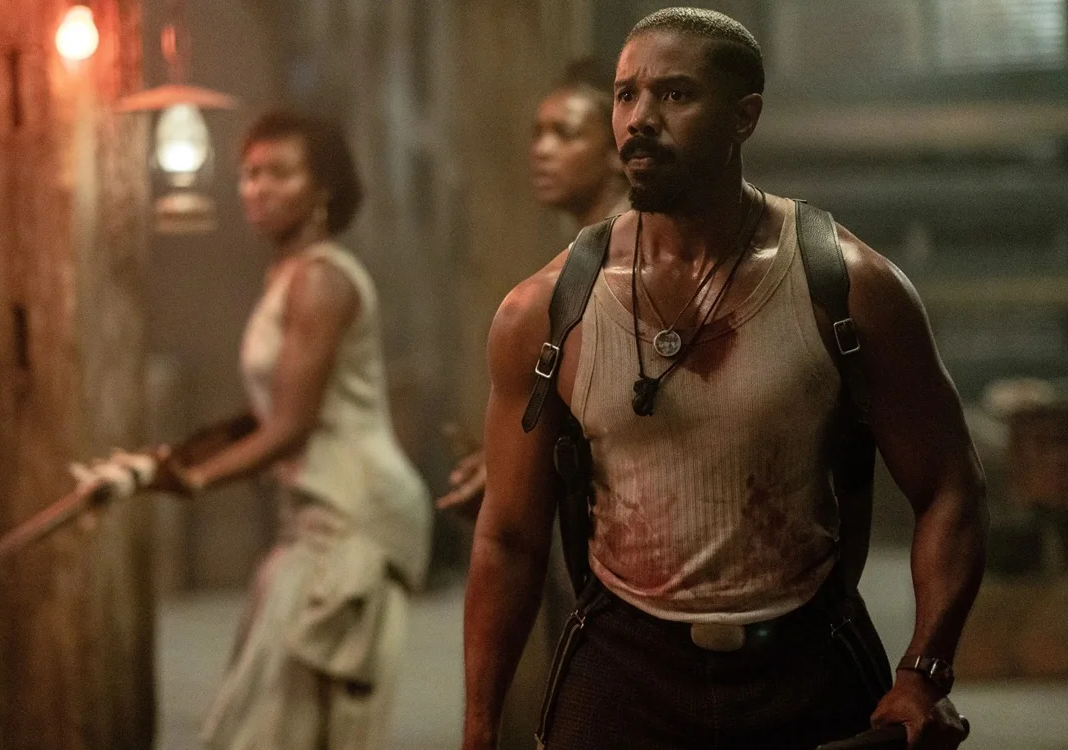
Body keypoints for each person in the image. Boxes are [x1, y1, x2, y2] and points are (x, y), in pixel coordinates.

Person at [462, 9, 987, 750]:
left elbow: (950, 487)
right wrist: (479, 729)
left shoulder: (847, 286)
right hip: (624, 662)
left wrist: (924, 672)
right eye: (626, 95)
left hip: (803, 654)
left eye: (675, 94)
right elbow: (510, 538)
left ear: (745, 117)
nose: (640, 119)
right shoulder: (545, 311)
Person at [152, 110, 432, 750]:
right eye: (249, 173)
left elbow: (289, 428)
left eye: (279, 173)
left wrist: (193, 480)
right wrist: (173, 456)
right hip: (313, 515)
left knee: (289, 725)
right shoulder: (286, 275)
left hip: (356, 515)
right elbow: (273, 409)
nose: (257, 189)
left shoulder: (320, 281)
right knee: (268, 713)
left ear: (323, 187)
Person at [439, 57, 629, 513]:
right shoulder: (582, 253)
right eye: (538, 133)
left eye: (565, 134)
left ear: (616, 151)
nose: (542, 150)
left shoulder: (628, 252)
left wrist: (519, 463)